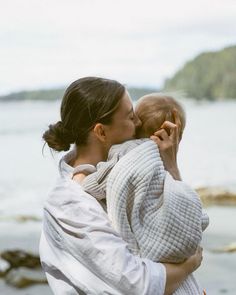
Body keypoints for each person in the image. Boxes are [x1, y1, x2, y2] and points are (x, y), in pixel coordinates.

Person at [39, 77, 203, 295]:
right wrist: (188, 265)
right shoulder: (69, 204)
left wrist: (170, 166)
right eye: (131, 116)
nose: (139, 124)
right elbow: (137, 285)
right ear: (101, 132)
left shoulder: (121, 173)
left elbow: (185, 223)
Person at [81, 93, 209, 294]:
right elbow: (197, 219)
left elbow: (95, 184)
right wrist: (173, 168)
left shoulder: (123, 155)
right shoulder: (164, 165)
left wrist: (82, 176)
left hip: (150, 261)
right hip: (169, 272)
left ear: (136, 128)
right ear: (178, 136)